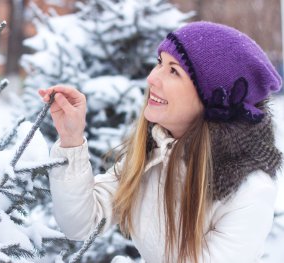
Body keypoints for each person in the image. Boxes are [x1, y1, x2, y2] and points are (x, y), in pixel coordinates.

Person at [38, 21, 283, 263]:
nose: (152, 78)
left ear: (211, 100)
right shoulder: (155, 154)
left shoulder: (248, 191)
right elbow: (80, 222)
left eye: (173, 70)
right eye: (159, 63)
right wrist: (71, 138)